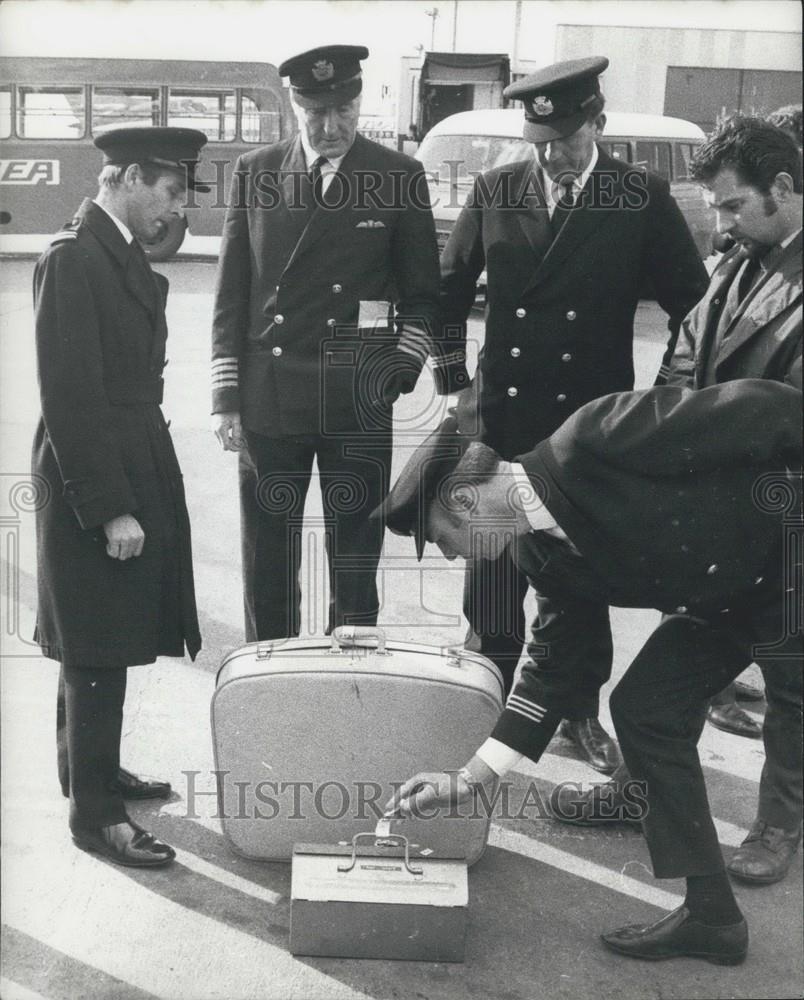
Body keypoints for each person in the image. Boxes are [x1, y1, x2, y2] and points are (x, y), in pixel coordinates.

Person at [382, 377, 802, 964]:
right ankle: (713, 917)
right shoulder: (539, 554)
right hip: (723, 604)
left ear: (464, 499)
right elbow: (552, 668)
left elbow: (764, 408)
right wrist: (472, 777)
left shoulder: (592, 438)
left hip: (794, 564)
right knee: (645, 710)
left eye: (444, 539)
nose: (454, 555)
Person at [431, 56, 708, 772]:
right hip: (501, 420)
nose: (552, 156)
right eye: (539, 143)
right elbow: (449, 289)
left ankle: (576, 715)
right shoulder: (497, 187)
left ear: (598, 124)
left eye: (566, 141)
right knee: (492, 575)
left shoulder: (639, 194)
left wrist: (667, 395)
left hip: (588, 430)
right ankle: (483, 709)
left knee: (576, 582)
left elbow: (694, 306)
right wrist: (455, 377)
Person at [563, 115, 803, 886]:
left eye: (733, 206)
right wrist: (668, 448)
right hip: (714, 512)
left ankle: (777, 826)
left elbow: (782, 416)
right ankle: (643, 785)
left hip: (787, 519)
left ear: (786, 189)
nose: (722, 223)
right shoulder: (742, 261)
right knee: (672, 669)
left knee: (792, 677)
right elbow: (681, 363)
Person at [211, 44, 440, 640]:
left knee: (356, 554)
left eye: (344, 110)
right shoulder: (256, 172)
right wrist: (226, 397)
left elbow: (423, 297)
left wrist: (396, 374)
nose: (331, 126)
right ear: (295, 106)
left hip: (355, 398)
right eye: (316, 113)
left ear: (359, 101)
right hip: (270, 397)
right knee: (268, 553)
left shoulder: (399, 176)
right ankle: (270, 665)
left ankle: (350, 670)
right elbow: (232, 292)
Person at [33, 127, 206, 867]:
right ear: (129, 177)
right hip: (93, 465)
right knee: (96, 638)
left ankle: (90, 770)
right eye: (169, 193)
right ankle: (95, 815)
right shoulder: (74, 259)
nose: (175, 211)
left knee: (104, 628)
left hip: (128, 448)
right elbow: (70, 395)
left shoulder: (116, 249)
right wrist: (109, 506)